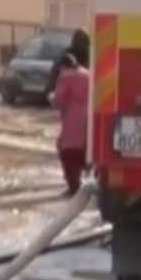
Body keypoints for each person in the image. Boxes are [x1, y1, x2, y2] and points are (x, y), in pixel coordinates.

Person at [52, 47, 90, 197]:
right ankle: (88, 175)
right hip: (90, 119)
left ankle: (74, 186)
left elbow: (58, 100)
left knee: (66, 151)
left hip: (73, 119)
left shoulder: (66, 76)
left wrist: (53, 100)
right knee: (84, 149)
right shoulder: (88, 74)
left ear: (63, 66)